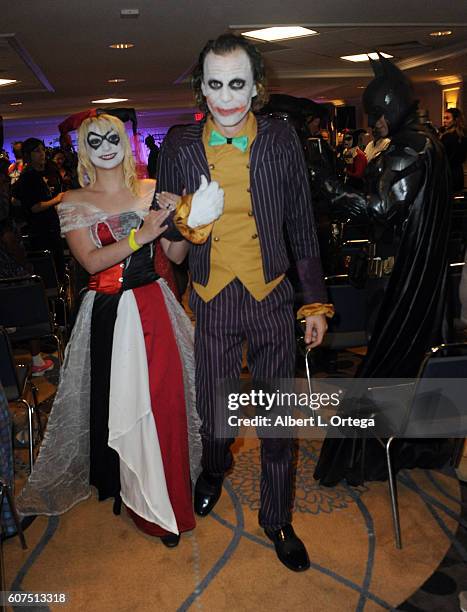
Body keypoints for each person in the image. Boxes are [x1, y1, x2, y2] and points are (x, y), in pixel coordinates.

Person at [156, 33, 332, 572]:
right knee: (216, 420)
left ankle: (276, 518)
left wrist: (316, 303)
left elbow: (301, 227)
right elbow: (174, 252)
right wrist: (190, 220)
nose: (227, 98)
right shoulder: (180, 146)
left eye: (237, 84)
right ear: (201, 89)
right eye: (215, 85)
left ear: (256, 86)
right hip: (212, 299)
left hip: (273, 297)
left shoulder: (282, 140)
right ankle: (214, 468)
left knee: (279, 421)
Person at [17, 113, 202, 548]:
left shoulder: (152, 189)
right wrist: (143, 234)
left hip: (157, 306)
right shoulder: (73, 201)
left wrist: (184, 223)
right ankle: (145, 504)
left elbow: (173, 256)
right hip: (112, 315)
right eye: (94, 139)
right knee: (128, 408)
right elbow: (92, 262)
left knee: (168, 400)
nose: (105, 145)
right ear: (85, 148)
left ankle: (173, 498)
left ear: (126, 141)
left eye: (112, 137)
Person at [315, 54, 452, 486]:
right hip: (413, 279)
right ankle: (410, 445)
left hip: (401, 283)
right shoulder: (426, 141)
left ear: (389, 107)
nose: (372, 124)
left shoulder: (411, 148)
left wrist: (327, 186)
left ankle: (372, 453)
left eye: (375, 115)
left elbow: (379, 210)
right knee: (406, 366)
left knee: (388, 368)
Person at [12, 138, 66, 280]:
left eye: (42, 150)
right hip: (40, 230)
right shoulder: (28, 177)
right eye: (37, 151)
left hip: (55, 226)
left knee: (60, 267)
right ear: (28, 155)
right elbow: (34, 207)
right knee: (49, 272)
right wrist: (56, 200)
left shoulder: (50, 171)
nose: (41, 154)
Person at [440, 107, 467, 193]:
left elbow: (441, 156)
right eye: (444, 118)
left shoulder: (447, 137)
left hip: (448, 174)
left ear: (455, 120)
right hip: (459, 173)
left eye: (447, 118)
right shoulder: (464, 136)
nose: (444, 121)